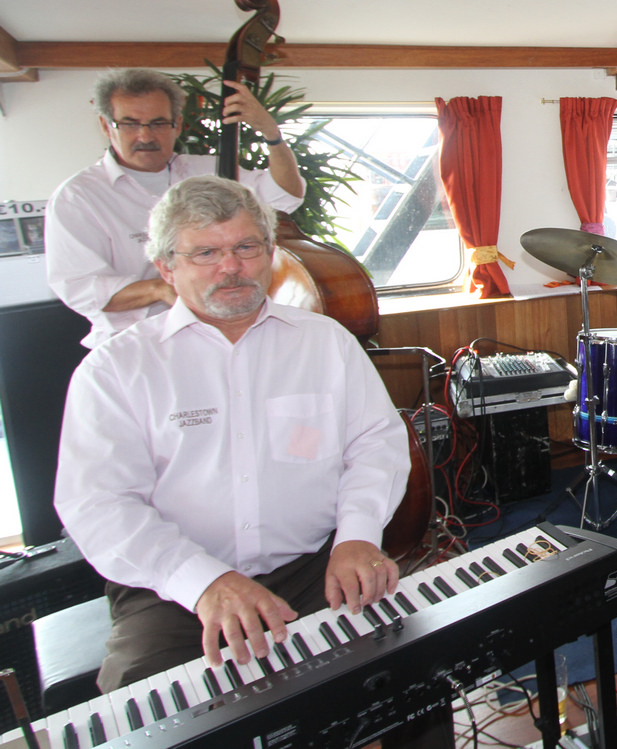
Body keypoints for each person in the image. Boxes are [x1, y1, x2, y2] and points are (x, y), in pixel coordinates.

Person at [54, 176, 410, 691]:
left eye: (246, 247)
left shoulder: (326, 342)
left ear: (270, 253)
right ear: (166, 268)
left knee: (407, 674)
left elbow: (375, 444)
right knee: (148, 702)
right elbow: (99, 504)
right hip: (177, 589)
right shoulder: (115, 369)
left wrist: (357, 535)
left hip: (316, 566)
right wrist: (206, 582)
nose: (231, 267)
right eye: (205, 253)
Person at [46, 68, 306, 348]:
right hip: (137, 346)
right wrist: (160, 288)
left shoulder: (211, 171)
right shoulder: (78, 197)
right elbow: (79, 288)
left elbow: (286, 195)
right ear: (106, 125)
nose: (145, 136)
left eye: (158, 123)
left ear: (178, 124)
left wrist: (272, 134)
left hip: (227, 338)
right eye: (130, 124)